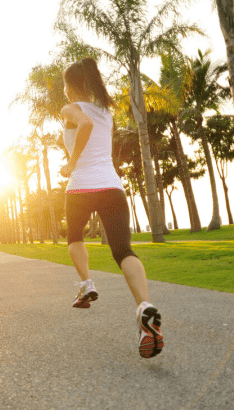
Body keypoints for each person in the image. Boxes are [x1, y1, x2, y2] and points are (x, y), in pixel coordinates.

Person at [59, 57, 164, 359]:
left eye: (65, 86)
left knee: (75, 238)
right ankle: (144, 306)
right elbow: (92, 126)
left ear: (70, 87)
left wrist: (70, 164)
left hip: (80, 187)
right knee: (123, 251)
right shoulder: (106, 110)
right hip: (111, 187)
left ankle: (86, 283)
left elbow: (84, 124)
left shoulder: (70, 109)